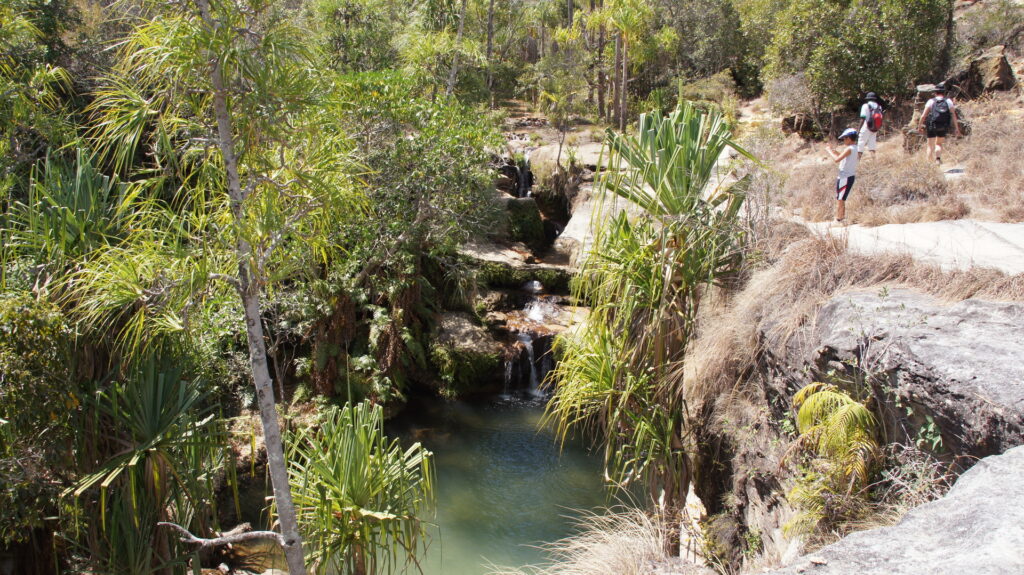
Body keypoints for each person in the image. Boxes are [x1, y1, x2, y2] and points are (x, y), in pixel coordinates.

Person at [919, 83, 961, 164]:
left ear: (935, 92)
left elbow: (923, 115)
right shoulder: (948, 101)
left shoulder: (931, 101)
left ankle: (929, 165)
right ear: (944, 92)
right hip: (943, 125)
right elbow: (953, 115)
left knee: (930, 146)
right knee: (938, 144)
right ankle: (938, 159)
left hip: (931, 125)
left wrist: (919, 126)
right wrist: (957, 128)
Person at [824, 128, 859, 222]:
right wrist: (835, 152)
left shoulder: (849, 148)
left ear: (849, 138)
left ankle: (839, 219)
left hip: (845, 177)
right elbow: (843, 158)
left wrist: (829, 151)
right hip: (847, 177)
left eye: (844, 138)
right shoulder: (855, 148)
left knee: (840, 199)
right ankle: (840, 218)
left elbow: (836, 160)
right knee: (841, 198)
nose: (843, 140)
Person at [857, 92, 883, 158]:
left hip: (866, 127)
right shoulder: (879, 107)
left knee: (861, 143)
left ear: (868, 99)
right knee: (872, 144)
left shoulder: (865, 106)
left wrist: (858, 129)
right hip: (875, 128)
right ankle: (873, 161)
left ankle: (857, 161)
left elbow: (863, 118)